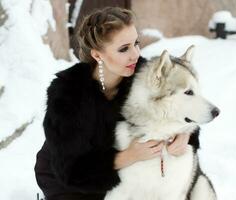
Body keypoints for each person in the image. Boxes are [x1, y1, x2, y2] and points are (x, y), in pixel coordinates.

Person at [34, 7, 200, 200]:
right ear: (97, 55)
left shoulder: (143, 76)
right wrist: (129, 156)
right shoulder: (67, 93)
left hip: (125, 174)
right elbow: (72, 170)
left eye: (136, 43)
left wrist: (185, 134)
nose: (135, 54)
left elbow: (179, 105)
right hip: (70, 178)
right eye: (124, 49)